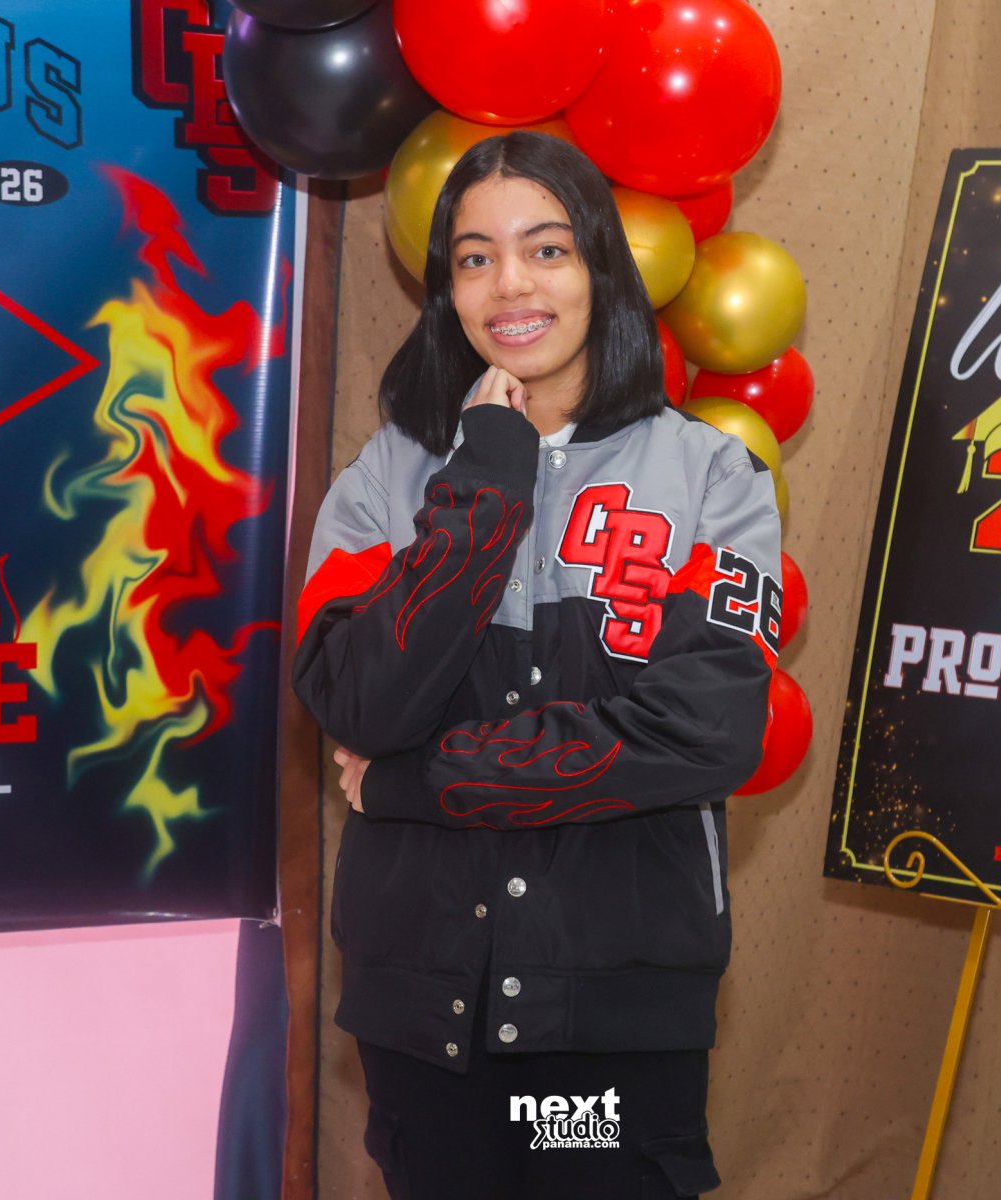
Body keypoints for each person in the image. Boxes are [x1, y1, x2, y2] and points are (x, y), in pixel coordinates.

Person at [291, 131, 782, 1199]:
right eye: (475, 258)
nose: (510, 283)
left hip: (616, 999)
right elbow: (360, 701)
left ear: (600, 265)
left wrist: (416, 783)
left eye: (546, 249)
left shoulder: (714, 476)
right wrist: (489, 480)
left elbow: (704, 734)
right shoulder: (383, 477)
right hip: (420, 1001)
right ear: (446, 291)